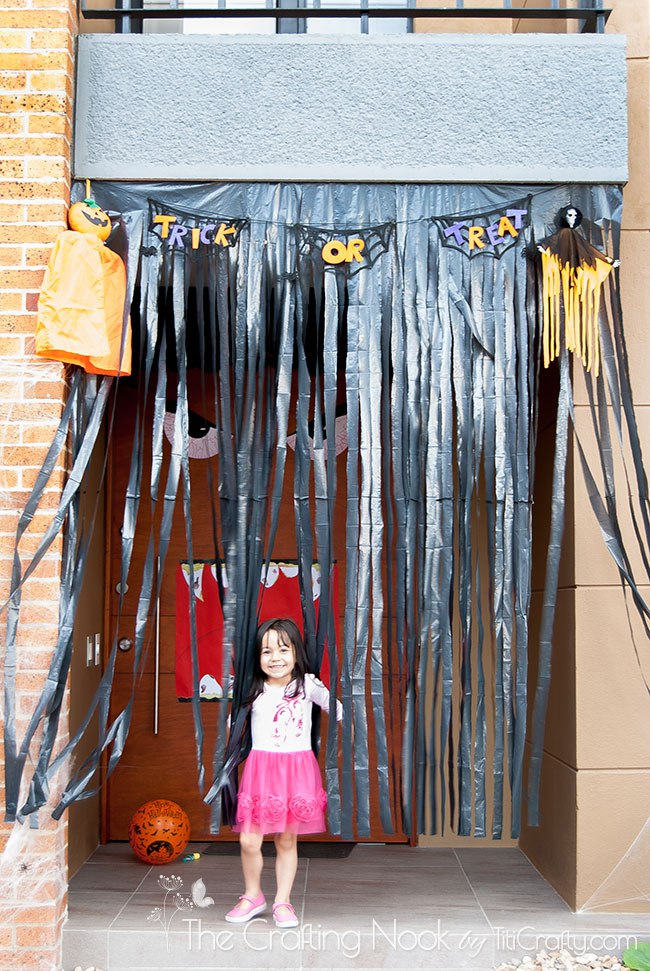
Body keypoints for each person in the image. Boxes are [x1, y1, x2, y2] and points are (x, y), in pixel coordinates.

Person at [225, 617, 342, 929]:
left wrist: (327, 690)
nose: (275, 658)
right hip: (261, 769)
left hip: (295, 769)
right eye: (266, 652)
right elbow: (233, 726)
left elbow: (338, 709)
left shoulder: (305, 686)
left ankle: (282, 902)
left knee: (286, 840)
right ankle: (253, 895)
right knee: (249, 840)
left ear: (295, 652)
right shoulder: (253, 689)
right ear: (257, 657)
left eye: (282, 649)